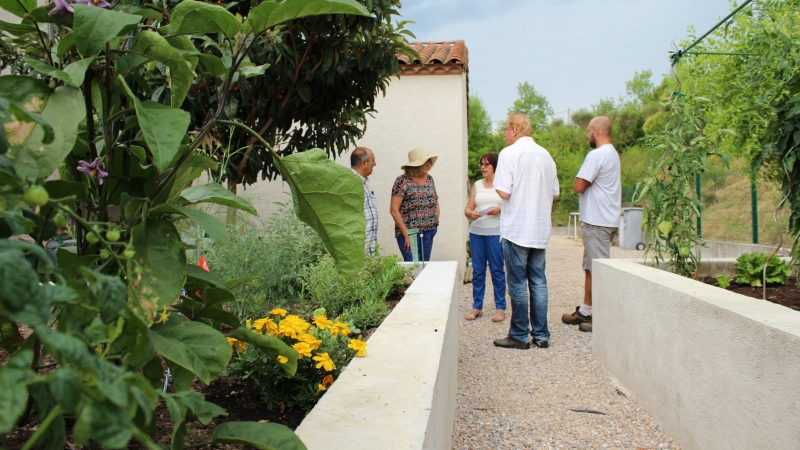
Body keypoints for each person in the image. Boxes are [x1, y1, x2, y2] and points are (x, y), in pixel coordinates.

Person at [492, 113, 559, 350]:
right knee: (539, 281)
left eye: (505, 130)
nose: (503, 134)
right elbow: (555, 193)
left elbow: (503, 192)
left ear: (514, 129)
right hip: (539, 228)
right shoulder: (546, 155)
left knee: (518, 282)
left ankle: (519, 335)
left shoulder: (509, 153)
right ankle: (541, 335)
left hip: (518, 228)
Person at [561, 116, 621, 333]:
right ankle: (587, 310)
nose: (587, 135)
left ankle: (602, 317)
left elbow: (577, 185)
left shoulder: (597, 155)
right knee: (590, 267)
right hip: (603, 219)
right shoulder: (613, 154)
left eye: (588, 131)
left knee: (599, 269)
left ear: (596, 131)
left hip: (598, 220)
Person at [464, 153, 506, 322]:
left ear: (495, 166)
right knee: (478, 272)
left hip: (496, 233)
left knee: (497, 271)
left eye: (487, 164)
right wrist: (471, 214)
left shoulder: (503, 184)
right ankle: (477, 307)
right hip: (476, 233)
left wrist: (500, 210)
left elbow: (513, 206)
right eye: (481, 164)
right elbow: (467, 209)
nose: (483, 167)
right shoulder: (477, 185)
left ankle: (500, 308)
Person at [390, 148, 440, 262]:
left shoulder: (430, 179)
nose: (428, 164)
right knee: (413, 268)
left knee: (424, 266)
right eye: (424, 162)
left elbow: (435, 202)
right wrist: (406, 235)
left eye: (429, 161)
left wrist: (435, 222)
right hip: (409, 233)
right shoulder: (402, 181)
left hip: (428, 231)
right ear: (415, 165)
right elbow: (394, 210)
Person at [350, 147, 378, 254]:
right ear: (364, 163)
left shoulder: (362, 184)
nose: (375, 164)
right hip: (358, 253)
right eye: (373, 160)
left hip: (368, 252)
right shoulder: (350, 184)